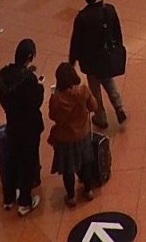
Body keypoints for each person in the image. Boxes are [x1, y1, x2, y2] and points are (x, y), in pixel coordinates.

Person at [69, 0, 128, 129]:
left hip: (90, 61)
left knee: (94, 89)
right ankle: (118, 106)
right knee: (108, 80)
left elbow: (76, 42)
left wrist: (72, 62)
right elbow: (117, 31)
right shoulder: (109, 10)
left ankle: (101, 117)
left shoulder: (82, 18)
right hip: (106, 55)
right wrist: (118, 47)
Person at [0, 39, 44, 216]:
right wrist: (39, 86)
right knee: (28, 161)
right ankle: (25, 201)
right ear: (30, 57)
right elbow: (35, 102)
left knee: (12, 159)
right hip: (29, 126)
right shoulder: (29, 80)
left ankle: (9, 198)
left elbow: (3, 98)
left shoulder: (3, 76)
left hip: (12, 124)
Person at [48, 61, 98, 207]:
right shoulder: (83, 91)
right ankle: (88, 191)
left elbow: (53, 116)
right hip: (83, 134)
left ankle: (71, 197)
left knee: (68, 169)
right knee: (86, 163)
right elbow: (94, 106)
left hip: (65, 138)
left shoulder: (56, 98)